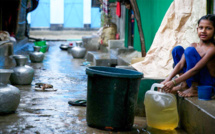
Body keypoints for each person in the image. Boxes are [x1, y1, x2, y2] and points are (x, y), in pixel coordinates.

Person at [161, 14, 215, 97]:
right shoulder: (193, 45)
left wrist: (174, 82)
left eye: (208, 28)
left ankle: (194, 88)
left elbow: (195, 69)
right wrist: (167, 79)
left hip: (207, 83)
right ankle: (184, 84)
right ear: (197, 29)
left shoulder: (212, 49)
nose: (203, 31)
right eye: (201, 28)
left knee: (190, 51)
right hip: (193, 76)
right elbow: (180, 64)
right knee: (177, 50)